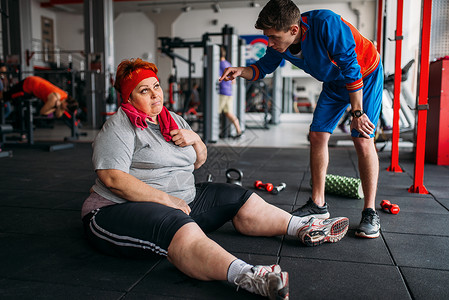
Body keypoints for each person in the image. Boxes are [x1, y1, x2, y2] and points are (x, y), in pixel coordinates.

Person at [81, 58, 350, 299]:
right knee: (175, 223)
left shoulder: (171, 119)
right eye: (144, 90)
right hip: (115, 211)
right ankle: (250, 276)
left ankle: (301, 226)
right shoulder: (120, 125)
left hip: (180, 202)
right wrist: (167, 200)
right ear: (128, 98)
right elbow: (112, 178)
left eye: (156, 86)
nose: (155, 95)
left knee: (235, 195)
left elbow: (198, 161)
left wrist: (196, 140)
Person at [220, 0, 383, 239]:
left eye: (273, 37)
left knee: (362, 139)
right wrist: (240, 70)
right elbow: (261, 69)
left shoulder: (327, 24)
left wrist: (357, 114)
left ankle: (370, 211)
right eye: (268, 37)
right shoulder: (279, 45)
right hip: (334, 84)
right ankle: (319, 204)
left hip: (365, 74)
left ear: (293, 30)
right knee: (316, 135)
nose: (270, 42)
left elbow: (352, 68)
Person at [3, 76, 78, 118]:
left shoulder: (64, 97)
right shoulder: (54, 98)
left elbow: (59, 115)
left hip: (36, 83)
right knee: (5, 96)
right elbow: (42, 112)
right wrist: (56, 107)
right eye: (66, 108)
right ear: (67, 104)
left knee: (7, 97)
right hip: (30, 84)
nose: (65, 109)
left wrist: (58, 107)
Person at [219, 46, 242, 138]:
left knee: (214, 113)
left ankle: (212, 134)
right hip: (229, 92)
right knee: (229, 113)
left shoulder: (220, 64)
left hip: (221, 92)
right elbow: (233, 81)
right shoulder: (228, 64)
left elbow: (218, 78)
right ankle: (239, 131)